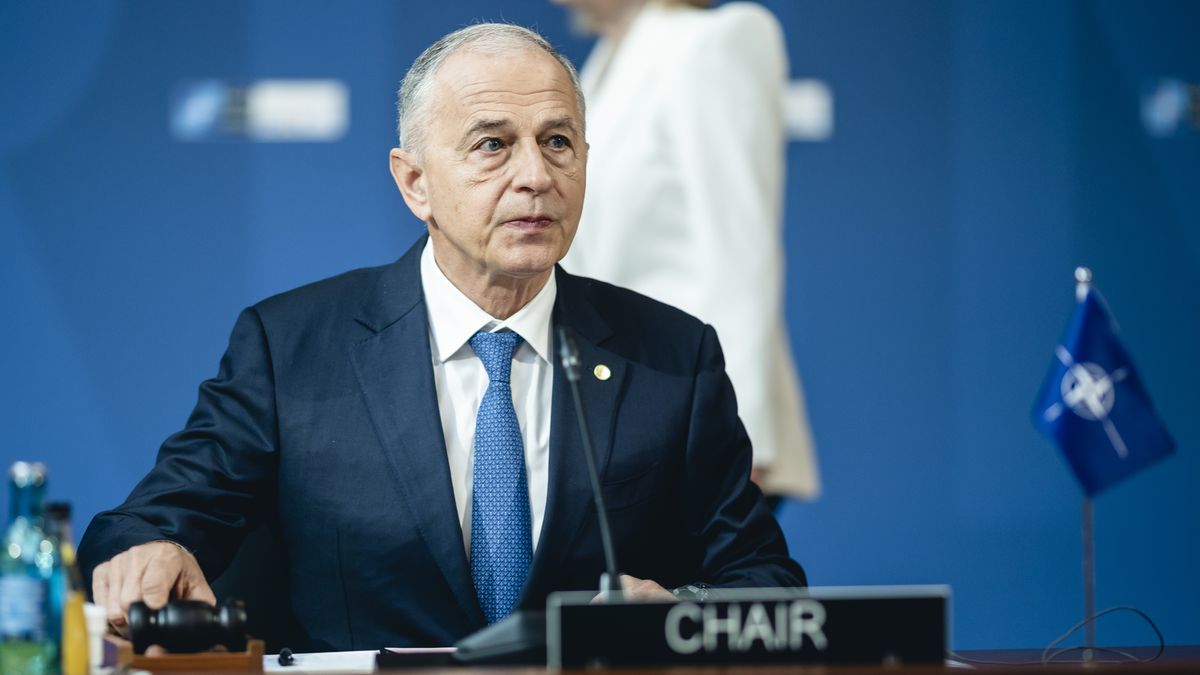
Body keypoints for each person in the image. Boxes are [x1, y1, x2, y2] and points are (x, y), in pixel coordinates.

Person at [77, 23, 805, 651]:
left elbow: (767, 588)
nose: (536, 176)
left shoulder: (671, 356)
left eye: (558, 142)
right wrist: (149, 549)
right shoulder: (291, 348)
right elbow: (152, 519)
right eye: (493, 145)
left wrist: (684, 616)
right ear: (414, 181)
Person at [554, 0, 820, 502]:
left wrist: (737, 438)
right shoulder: (600, 66)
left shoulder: (715, 40)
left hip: (695, 417)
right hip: (619, 419)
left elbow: (739, 248)